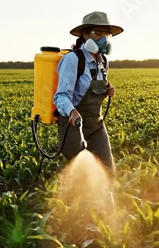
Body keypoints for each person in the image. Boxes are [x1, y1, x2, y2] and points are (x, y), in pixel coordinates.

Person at [53, 11, 123, 176]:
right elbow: (61, 96)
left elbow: (93, 88)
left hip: (96, 125)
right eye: (98, 34)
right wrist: (72, 112)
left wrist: (107, 90)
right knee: (84, 176)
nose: (103, 39)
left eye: (106, 35)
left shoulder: (103, 61)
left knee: (108, 172)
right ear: (85, 34)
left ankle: (107, 202)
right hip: (73, 125)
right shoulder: (73, 60)